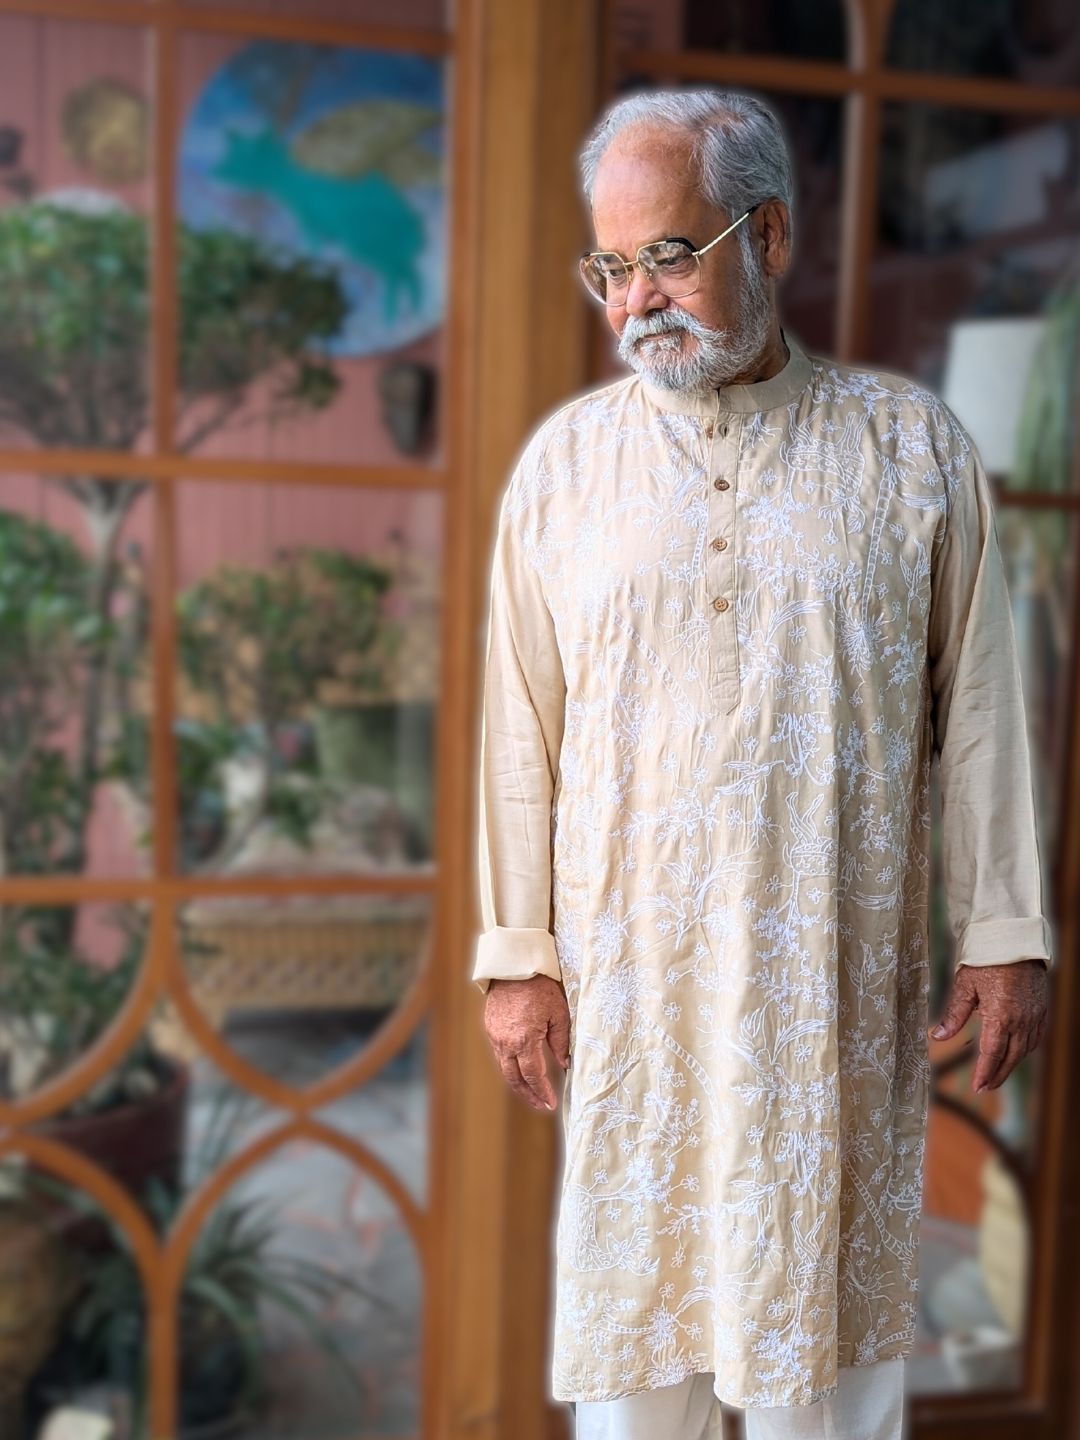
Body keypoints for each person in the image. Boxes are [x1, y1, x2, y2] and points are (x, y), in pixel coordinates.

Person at [471, 86, 1053, 1440]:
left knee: (830, 1381)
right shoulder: (564, 474)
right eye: (609, 268)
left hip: (830, 997)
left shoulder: (910, 451)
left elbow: (977, 704)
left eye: (668, 254)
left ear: (770, 234)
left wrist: (1005, 927)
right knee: (638, 1378)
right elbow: (519, 737)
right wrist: (517, 955)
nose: (633, 301)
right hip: (635, 999)